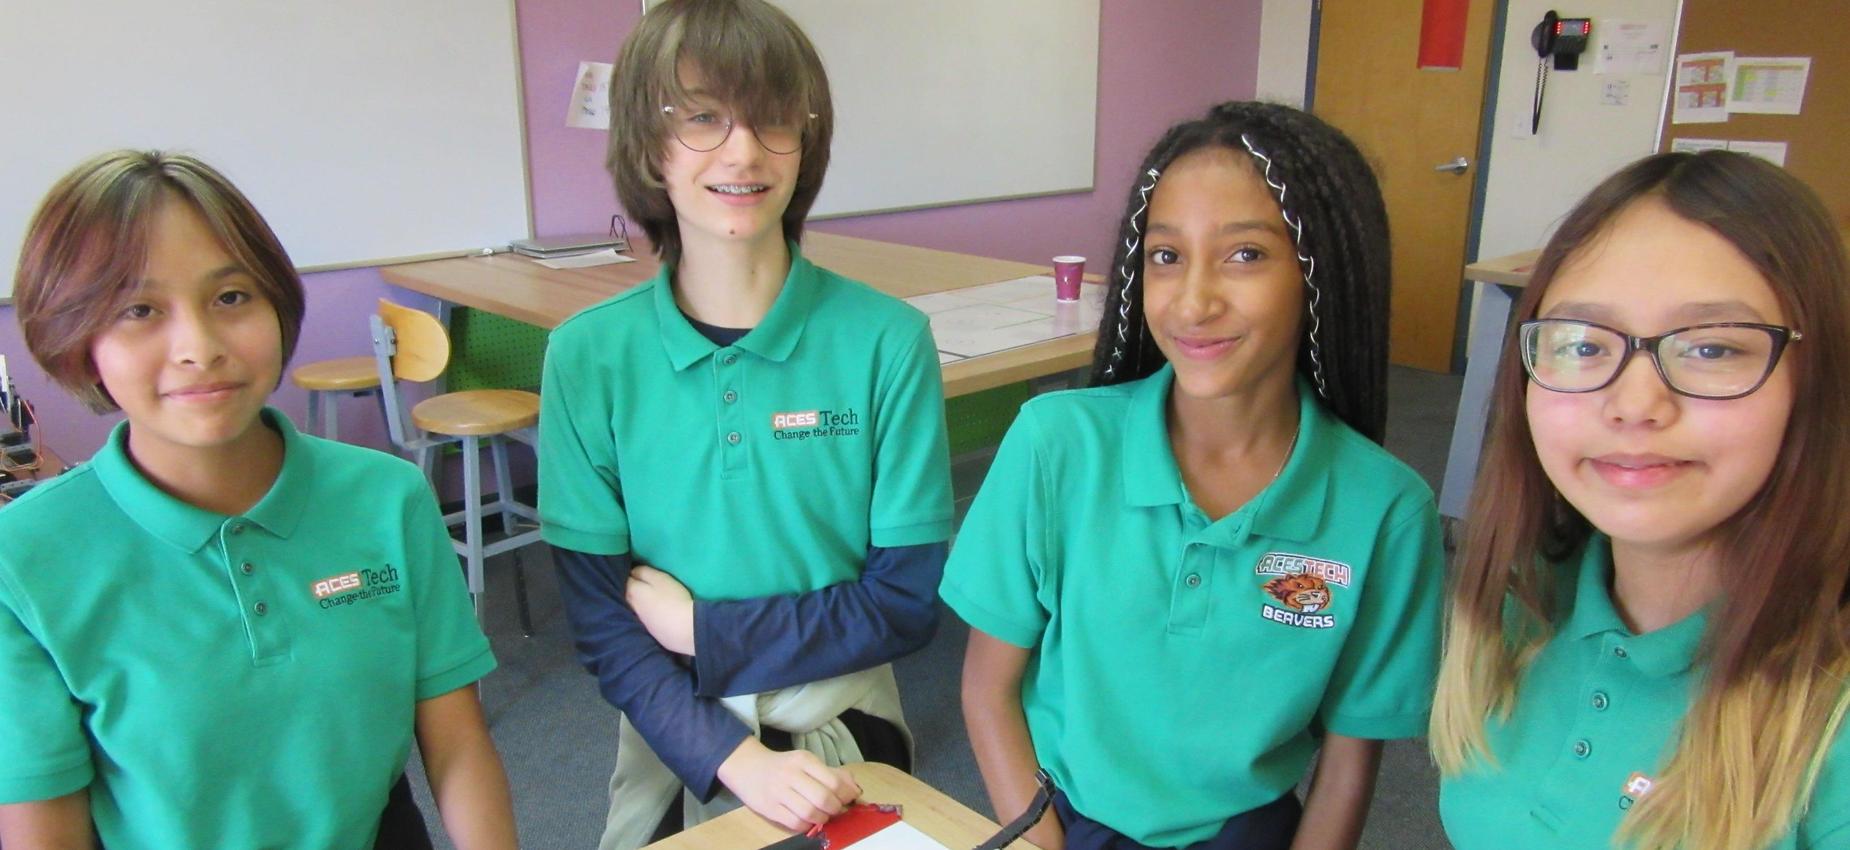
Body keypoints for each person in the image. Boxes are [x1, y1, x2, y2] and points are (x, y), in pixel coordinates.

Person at [943, 101, 1445, 850]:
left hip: (1246, 832)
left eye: (1245, 254)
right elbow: (987, 689)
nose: (1193, 300)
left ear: (1320, 273)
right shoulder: (1058, 444)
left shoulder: (1387, 509)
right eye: (1166, 256)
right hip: (1060, 820)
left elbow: (1349, 755)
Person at [0, 150, 516, 850]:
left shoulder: (386, 496)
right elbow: (44, 828)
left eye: (231, 297)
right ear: (78, 340)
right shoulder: (24, 559)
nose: (200, 346)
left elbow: (457, 747)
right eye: (140, 309)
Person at [536, 1, 953, 847]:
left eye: (771, 119)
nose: (742, 150)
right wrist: (734, 757)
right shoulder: (587, 356)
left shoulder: (887, 341)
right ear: (647, 146)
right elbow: (602, 620)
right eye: (700, 117)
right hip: (674, 732)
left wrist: (704, 631)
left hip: (849, 730)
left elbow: (906, 604)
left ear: (808, 141)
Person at [1432, 150, 1850, 849]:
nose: (1634, 404)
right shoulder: (1520, 599)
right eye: (1584, 344)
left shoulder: (1826, 724)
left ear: (1817, 382)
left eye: (1713, 349)